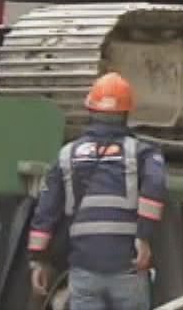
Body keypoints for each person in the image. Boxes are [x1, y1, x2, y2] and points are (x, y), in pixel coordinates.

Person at [28, 72, 168, 310]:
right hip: (127, 267)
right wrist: (143, 237)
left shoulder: (66, 155)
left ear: (91, 110)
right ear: (127, 113)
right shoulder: (143, 153)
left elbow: (45, 212)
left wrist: (38, 262)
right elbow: (155, 185)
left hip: (84, 270)